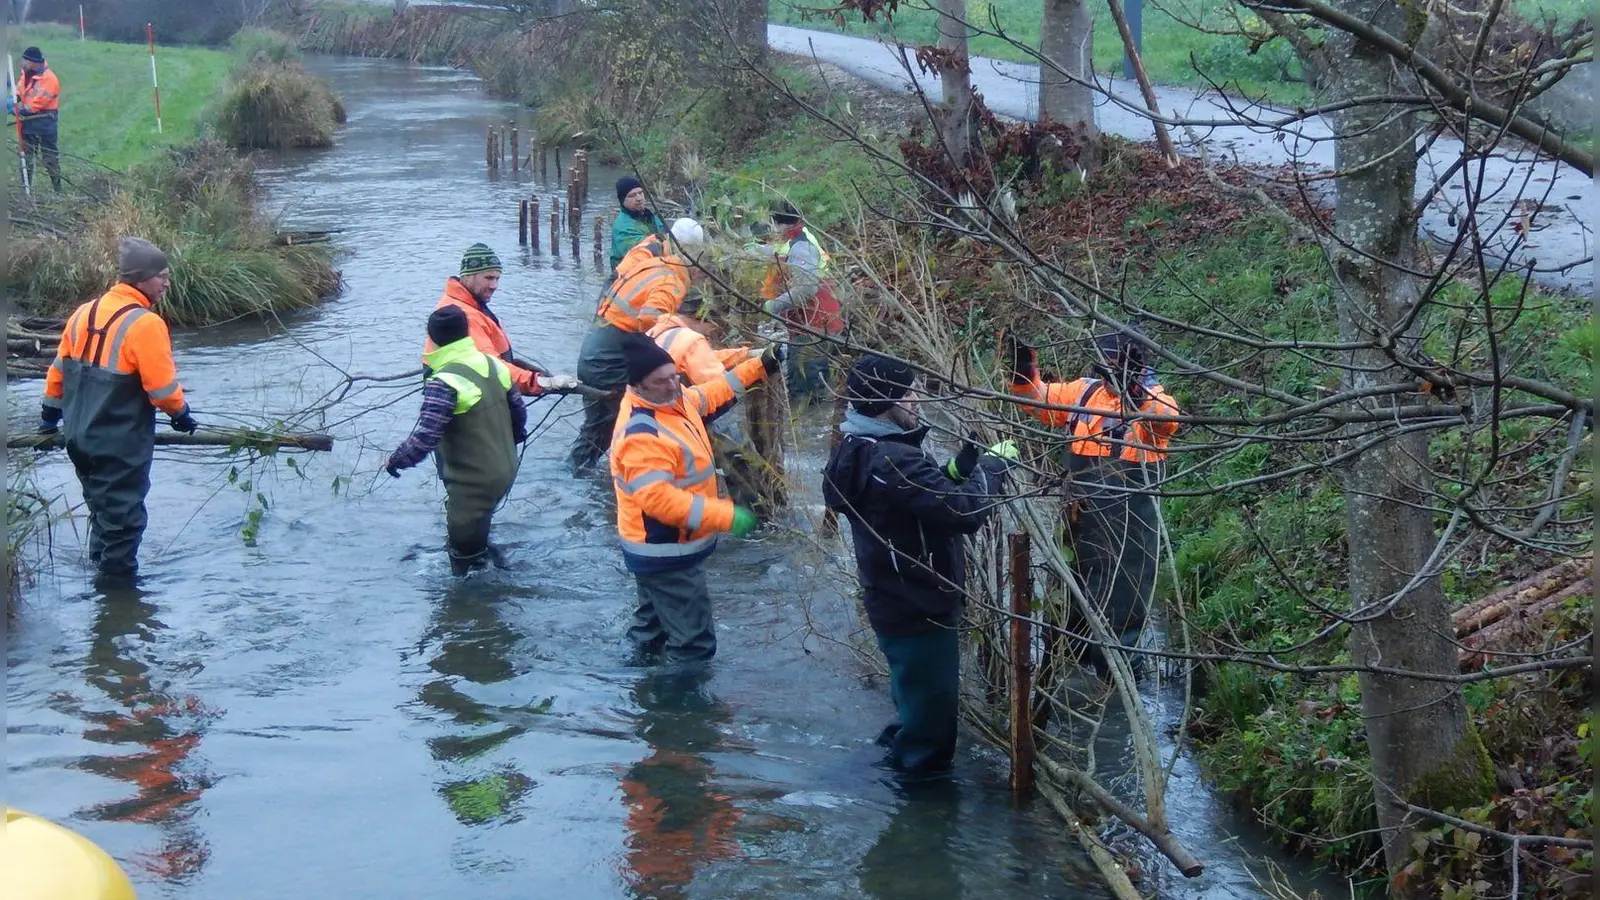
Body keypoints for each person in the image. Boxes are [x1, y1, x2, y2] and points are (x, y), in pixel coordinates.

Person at [822, 355, 1015, 779]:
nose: (918, 401)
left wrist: (959, 467)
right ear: (888, 400)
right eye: (910, 393)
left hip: (892, 598)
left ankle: (887, 760)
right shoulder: (892, 460)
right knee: (932, 727)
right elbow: (962, 510)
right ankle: (920, 803)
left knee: (914, 697)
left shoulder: (857, 447)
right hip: (919, 603)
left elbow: (914, 497)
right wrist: (992, 468)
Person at [1007, 331, 1180, 677]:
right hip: (1078, 521)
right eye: (1106, 360)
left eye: (1114, 360)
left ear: (1135, 363)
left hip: (1128, 531)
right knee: (1068, 596)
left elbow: (1167, 420)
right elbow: (1037, 398)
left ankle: (1121, 679)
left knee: (1121, 602)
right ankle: (1064, 668)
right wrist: (1021, 372)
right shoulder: (1083, 392)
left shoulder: (1153, 400)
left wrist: (1136, 394)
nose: (1107, 367)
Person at [610, 330, 780, 662]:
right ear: (637, 386)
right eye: (662, 381)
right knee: (695, 644)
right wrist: (727, 516)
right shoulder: (641, 434)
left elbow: (716, 392)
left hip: (657, 548)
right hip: (665, 551)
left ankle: (635, 679)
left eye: (675, 375)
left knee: (652, 625)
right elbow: (659, 500)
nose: (673, 385)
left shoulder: (677, 402)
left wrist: (761, 365)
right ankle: (678, 707)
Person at [41, 237, 197, 586]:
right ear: (141, 279)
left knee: (101, 512)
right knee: (124, 523)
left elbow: (57, 374)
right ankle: (116, 597)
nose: (167, 283)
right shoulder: (146, 324)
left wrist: (48, 419)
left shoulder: (84, 313)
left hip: (79, 438)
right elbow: (162, 391)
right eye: (163, 276)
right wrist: (181, 414)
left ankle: (99, 579)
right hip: (118, 445)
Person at [389, 306, 528, 575]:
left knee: (464, 562)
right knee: (480, 535)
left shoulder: (444, 381)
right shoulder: (493, 364)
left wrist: (395, 461)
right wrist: (508, 442)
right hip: (506, 469)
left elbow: (424, 439)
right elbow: (519, 414)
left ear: (433, 340)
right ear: (467, 332)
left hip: (473, 483)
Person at [568, 217, 707, 475]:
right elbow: (651, 318)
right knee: (615, 426)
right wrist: (687, 332)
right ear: (693, 257)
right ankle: (605, 479)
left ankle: (581, 480)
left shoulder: (654, 261)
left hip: (598, 349)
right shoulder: (672, 279)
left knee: (599, 431)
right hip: (608, 360)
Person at [423, 243, 579, 396]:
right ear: (468, 276)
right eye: (488, 278)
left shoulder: (462, 302)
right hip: (473, 408)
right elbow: (492, 369)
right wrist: (542, 382)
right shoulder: (465, 316)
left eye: (497, 278)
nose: (494, 285)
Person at [760, 202, 844, 400]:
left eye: (772, 224)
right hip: (813, 323)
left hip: (815, 324)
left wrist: (774, 305)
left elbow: (806, 288)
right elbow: (779, 252)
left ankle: (813, 427)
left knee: (806, 392)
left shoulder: (801, 246)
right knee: (806, 384)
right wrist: (755, 250)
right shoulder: (798, 238)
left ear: (781, 225)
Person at [16, 46, 61, 191]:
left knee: (49, 157)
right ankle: (26, 190)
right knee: (26, 157)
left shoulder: (50, 79)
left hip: (45, 123)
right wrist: (12, 99)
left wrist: (19, 110)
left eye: (26, 60)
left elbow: (37, 104)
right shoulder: (26, 75)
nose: (23, 63)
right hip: (28, 123)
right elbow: (19, 91)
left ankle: (57, 189)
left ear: (34, 62)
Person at [610, 176, 666, 273]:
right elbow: (643, 250)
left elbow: (664, 233)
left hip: (652, 268)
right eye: (632, 195)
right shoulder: (622, 227)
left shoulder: (649, 216)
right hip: (628, 276)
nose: (639, 198)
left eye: (640, 193)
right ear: (623, 201)